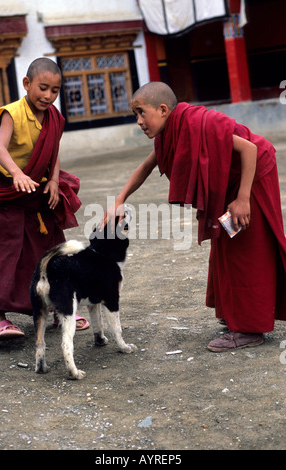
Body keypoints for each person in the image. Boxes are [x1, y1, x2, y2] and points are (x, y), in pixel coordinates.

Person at [104, 81, 286, 352]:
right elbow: (145, 167)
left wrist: (243, 199)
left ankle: (250, 328)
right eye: (135, 115)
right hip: (230, 183)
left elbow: (251, 150)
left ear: (163, 109)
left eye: (142, 113)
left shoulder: (198, 122)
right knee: (225, 248)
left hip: (253, 176)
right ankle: (236, 314)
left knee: (248, 251)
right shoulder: (170, 132)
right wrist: (118, 200)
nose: (139, 121)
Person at [0, 57, 89, 341]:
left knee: (53, 247)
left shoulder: (55, 118)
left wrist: (56, 181)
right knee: (6, 251)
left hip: (38, 188)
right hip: (9, 187)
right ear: (27, 84)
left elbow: (54, 152)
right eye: (43, 88)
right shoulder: (11, 113)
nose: (48, 96)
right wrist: (17, 173)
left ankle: (59, 308)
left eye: (55, 90)